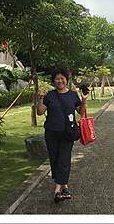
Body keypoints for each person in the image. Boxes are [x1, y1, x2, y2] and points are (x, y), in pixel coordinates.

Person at [36, 68, 87, 203]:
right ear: (54, 81)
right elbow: (40, 112)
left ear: (66, 80)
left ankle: (57, 190)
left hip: (68, 133)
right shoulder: (49, 95)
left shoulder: (72, 95)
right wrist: (40, 98)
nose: (60, 81)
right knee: (55, 159)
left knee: (64, 159)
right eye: (57, 78)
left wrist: (84, 100)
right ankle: (64, 186)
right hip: (51, 133)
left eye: (62, 78)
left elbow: (81, 112)